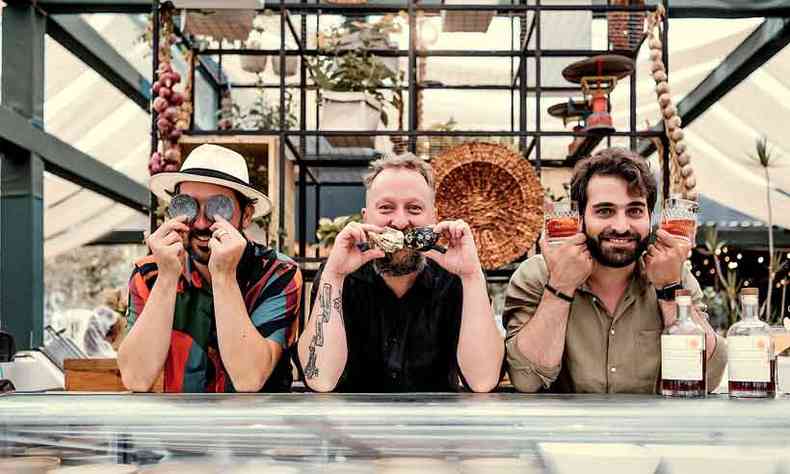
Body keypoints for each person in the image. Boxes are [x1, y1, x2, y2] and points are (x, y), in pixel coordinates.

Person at [504, 147, 726, 393]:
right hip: (563, 431)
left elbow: (709, 375)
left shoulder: (676, 275)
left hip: (653, 430)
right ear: (580, 217)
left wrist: (670, 290)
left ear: (650, 217)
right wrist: (561, 286)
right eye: (605, 211)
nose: (621, 226)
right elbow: (526, 380)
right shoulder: (537, 275)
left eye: (634, 211)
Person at [297, 153, 504, 392]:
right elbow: (319, 379)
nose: (400, 221)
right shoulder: (338, 274)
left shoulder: (456, 277)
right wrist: (333, 276)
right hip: (349, 426)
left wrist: (472, 277)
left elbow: (483, 381)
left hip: (437, 425)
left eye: (414, 209)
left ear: (433, 217)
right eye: (386, 208)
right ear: (366, 217)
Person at [118, 144, 302, 393]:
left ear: (246, 216)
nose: (202, 223)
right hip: (185, 427)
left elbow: (249, 379)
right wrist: (167, 277)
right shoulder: (150, 274)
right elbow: (136, 379)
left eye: (218, 209)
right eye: (187, 207)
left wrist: (224, 276)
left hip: (258, 428)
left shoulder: (277, 273)